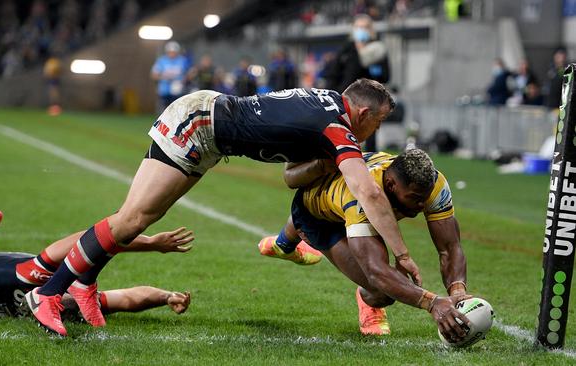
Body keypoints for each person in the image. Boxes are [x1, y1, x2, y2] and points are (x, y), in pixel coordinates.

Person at [24, 78, 427, 337]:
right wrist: (403, 255)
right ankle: (50, 292)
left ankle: (83, 284)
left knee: (133, 220)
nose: (375, 133)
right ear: (362, 113)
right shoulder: (337, 128)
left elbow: (290, 177)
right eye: (377, 123)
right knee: (131, 219)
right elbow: (369, 194)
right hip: (199, 124)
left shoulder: (325, 104)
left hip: (210, 128)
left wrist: (320, 165)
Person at [0, 147, 192, 323]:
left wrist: (140, 237)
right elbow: (127, 298)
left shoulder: (33, 277)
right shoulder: (72, 302)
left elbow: (87, 240)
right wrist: (167, 296)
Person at [258, 149, 469, 342]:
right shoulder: (360, 197)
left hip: (342, 199)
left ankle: (284, 244)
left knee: (388, 272)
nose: (423, 205)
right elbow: (377, 272)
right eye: (415, 198)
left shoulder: (434, 185)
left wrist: (457, 290)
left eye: (425, 197)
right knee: (381, 291)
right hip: (319, 216)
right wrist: (432, 303)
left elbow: (450, 248)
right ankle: (290, 244)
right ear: (391, 185)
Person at [325, 14, 390, 152]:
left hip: (369, 99)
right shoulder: (346, 49)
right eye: (359, 27)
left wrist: (375, 70)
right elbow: (333, 73)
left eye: (365, 27)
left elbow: (386, 76)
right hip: (345, 97)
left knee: (370, 131)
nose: (362, 30)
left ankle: (371, 160)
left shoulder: (377, 49)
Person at [151, 41, 190, 114]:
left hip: (178, 90)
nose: (172, 53)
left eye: (174, 52)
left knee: (178, 111)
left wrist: (183, 80)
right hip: (164, 90)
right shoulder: (161, 61)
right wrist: (165, 77)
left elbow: (189, 73)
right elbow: (154, 75)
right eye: (170, 52)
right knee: (164, 111)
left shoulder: (182, 60)